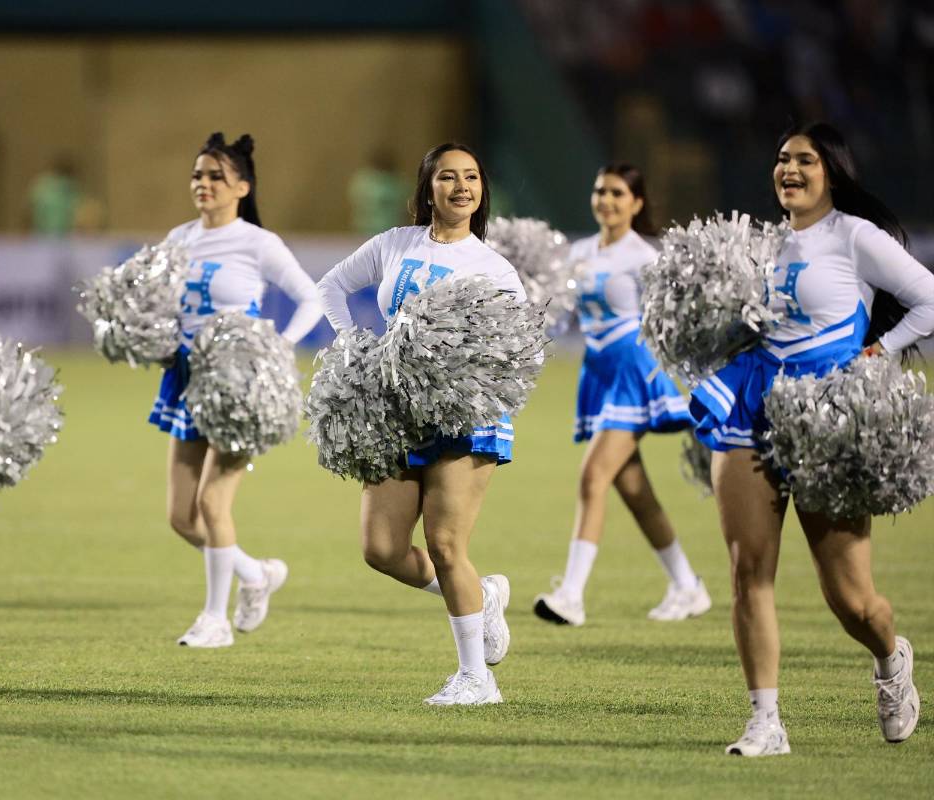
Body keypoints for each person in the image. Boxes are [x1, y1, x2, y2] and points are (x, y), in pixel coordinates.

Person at [690, 122, 934, 756]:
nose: (789, 169)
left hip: (827, 421)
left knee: (852, 601)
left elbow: (928, 299)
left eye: (805, 160)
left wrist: (883, 349)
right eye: (781, 159)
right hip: (751, 412)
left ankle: (889, 656)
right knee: (749, 572)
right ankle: (765, 722)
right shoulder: (761, 244)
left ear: (834, 172)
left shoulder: (855, 238)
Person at [316, 143, 519, 705]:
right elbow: (331, 285)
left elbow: (517, 349)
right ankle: (481, 598)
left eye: (472, 177)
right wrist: (352, 342)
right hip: (397, 408)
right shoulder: (394, 245)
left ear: (482, 190)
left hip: (465, 415)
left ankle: (477, 678)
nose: (461, 187)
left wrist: (468, 379)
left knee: (446, 542)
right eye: (448, 177)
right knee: (381, 547)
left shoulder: (493, 267)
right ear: (427, 187)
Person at [154, 132, 323, 648]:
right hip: (187, 378)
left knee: (211, 502)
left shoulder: (257, 243)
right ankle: (255, 574)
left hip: (240, 383)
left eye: (215, 177)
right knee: (182, 517)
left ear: (242, 188)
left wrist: (279, 348)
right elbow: (158, 303)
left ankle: (215, 620)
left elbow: (311, 299)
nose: (202, 184)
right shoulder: (178, 239)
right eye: (197, 175)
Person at [533, 164, 709, 627]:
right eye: (599, 191)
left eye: (616, 192)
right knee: (634, 490)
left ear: (636, 202)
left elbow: (674, 319)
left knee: (593, 477)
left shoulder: (645, 258)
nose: (606, 200)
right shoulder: (579, 252)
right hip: (599, 369)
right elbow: (561, 315)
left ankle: (571, 596)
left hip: (633, 367)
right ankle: (688, 585)